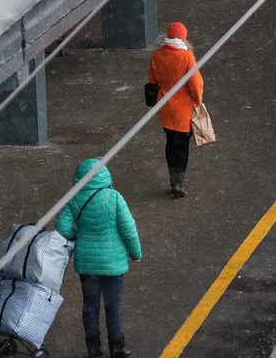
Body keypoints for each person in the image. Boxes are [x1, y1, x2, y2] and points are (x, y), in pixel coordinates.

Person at [56, 159, 141, 358]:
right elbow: (129, 229)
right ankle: (117, 347)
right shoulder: (114, 197)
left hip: (87, 263)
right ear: (105, 176)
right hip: (112, 263)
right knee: (113, 305)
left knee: (90, 305)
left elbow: (61, 227)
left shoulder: (74, 198)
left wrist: (78, 236)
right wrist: (135, 253)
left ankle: (93, 347)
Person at [147, 22, 204, 197]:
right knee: (182, 147)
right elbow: (196, 84)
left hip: (165, 108)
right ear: (183, 37)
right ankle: (179, 182)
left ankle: (172, 180)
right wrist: (198, 100)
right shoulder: (186, 57)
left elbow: (153, 79)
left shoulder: (157, 55)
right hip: (183, 110)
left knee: (170, 144)